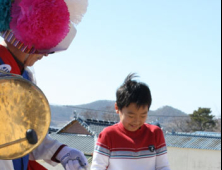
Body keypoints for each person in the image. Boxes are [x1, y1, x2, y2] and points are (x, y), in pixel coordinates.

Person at [0, 0, 89, 170]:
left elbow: (27, 137)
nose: (46, 55)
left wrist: (61, 151)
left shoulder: (26, 76)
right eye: (43, 47)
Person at [91, 74, 171, 170]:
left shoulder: (155, 133)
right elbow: (97, 167)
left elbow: (163, 167)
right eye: (131, 116)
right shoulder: (108, 135)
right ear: (117, 108)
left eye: (143, 115)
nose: (137, 121)